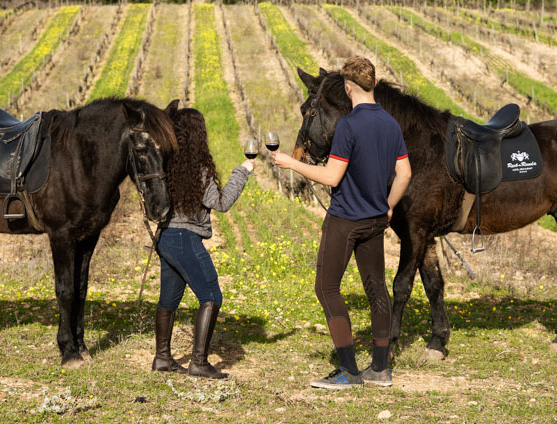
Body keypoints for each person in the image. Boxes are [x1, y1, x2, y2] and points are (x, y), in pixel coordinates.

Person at [273, 56, 411, 389]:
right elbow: (404, 173)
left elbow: (332, 176)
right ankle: (380, 369)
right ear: (374, 84)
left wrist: (291, 163)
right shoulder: (391, 124)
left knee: (326, 288)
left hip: (345, 219)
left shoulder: (348, 125)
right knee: (376, 288)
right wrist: (389, 205)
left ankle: (349, 370)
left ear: (348, 87)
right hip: (376, 219)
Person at [151, 107, 253, 379]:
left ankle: (162, 358)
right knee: (211, 296)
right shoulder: (199, 169)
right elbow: (221, 202)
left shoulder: (165, 165)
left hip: (165, 238)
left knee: (168, 300)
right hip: (185, 239)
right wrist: (242, 171)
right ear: (199, 135)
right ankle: (199, 362)